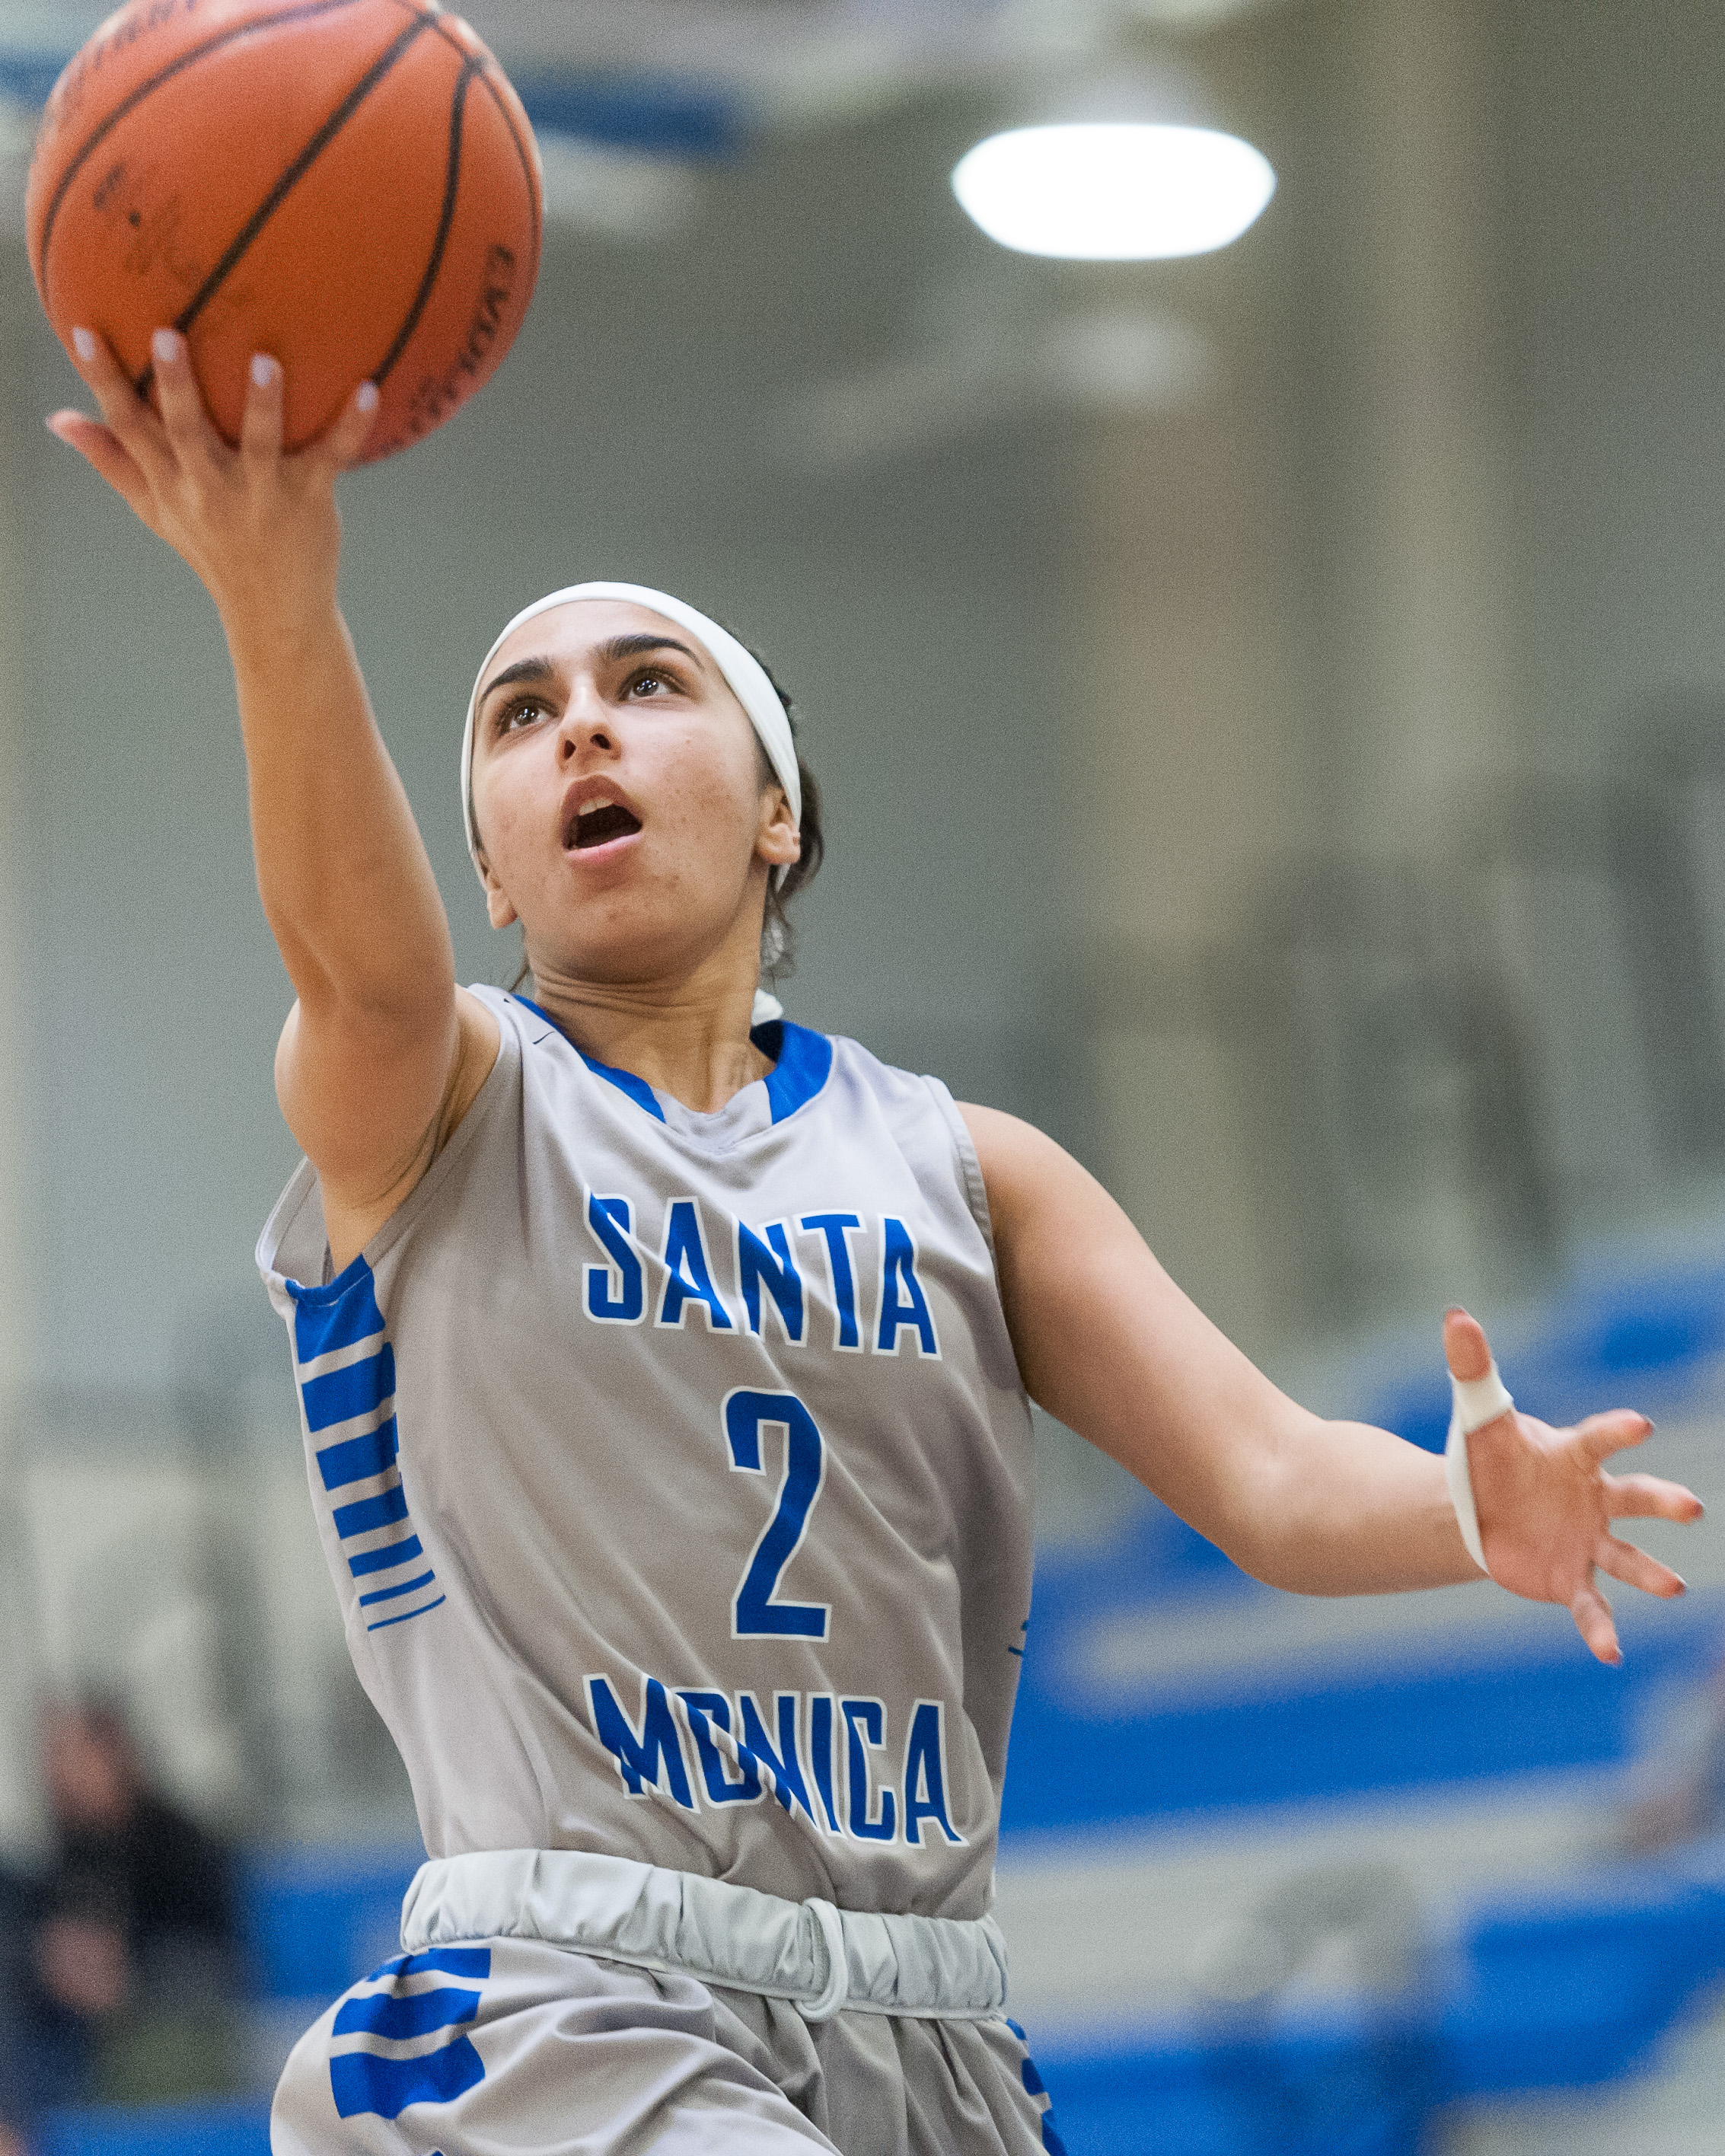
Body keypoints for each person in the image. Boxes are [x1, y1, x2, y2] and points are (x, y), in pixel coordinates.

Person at [45, 327, 1703, 2156]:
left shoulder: (966, 1170)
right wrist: (281, 603)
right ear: (496, 875)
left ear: (776, 815)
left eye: (647, 681)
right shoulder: (445, 1099)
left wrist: (1477, 1511)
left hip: (928, 2025)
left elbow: (1270, 1476)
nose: (580, 720)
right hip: (559, 2008)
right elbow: (355, 963)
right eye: (520, 716)